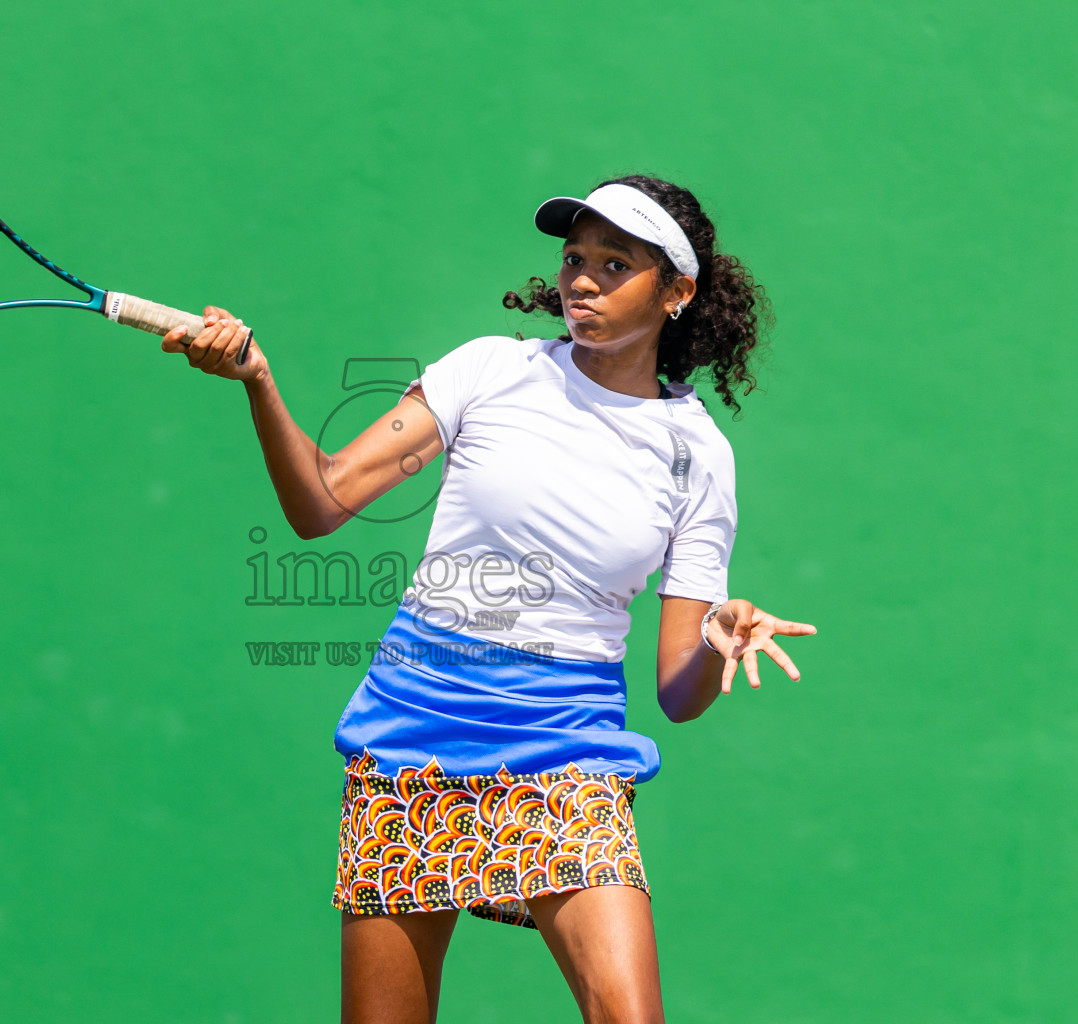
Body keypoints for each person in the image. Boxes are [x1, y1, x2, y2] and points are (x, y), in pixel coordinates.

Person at [161, 175, 817, 1024]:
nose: (582, 279)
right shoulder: (486, 371)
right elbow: (320, 502)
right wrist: (257, 379)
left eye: (615, 264)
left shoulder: (699, 456)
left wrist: (717, 639)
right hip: (412, 739)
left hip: (563, 749)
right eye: (575, 258)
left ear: (679, 293)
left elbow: (676, 694)